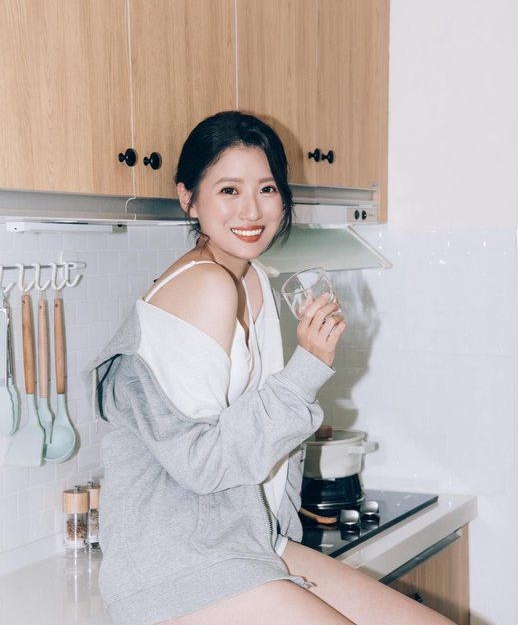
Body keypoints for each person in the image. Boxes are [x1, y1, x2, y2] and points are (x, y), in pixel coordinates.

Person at [88, 111, 453, 625]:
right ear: (188, 198)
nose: (252, 210)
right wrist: (308, 366)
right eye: (229, 190)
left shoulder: (254, 278)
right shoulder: (206, 285)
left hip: (246, 539)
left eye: (267, 189)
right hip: (177, 562)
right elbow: (202, 465)